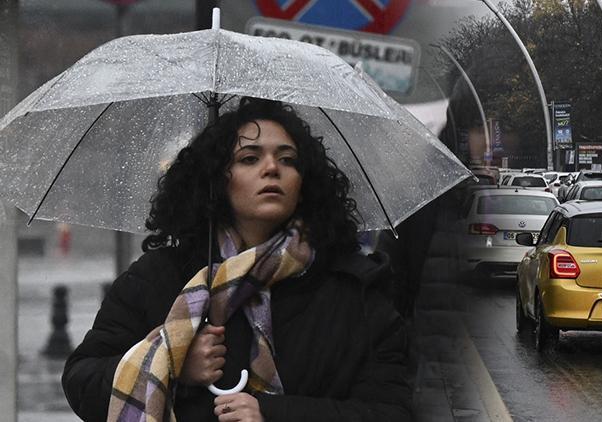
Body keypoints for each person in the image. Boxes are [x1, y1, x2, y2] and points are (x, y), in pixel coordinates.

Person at [62, 97, 412, 422]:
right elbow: (82, 379)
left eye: (288, 159)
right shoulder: (160, 277)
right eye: (249, 158)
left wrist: (274, 414)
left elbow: (390, 411)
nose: (272, 168)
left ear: (305, 182)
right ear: (216, 180)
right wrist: (171, 363)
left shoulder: (354, 289)